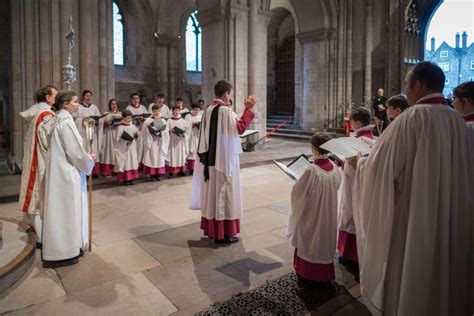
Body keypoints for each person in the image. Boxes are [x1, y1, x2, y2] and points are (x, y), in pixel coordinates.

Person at [352, 61, 473, 315]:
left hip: (415, 218)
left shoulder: (411, 118)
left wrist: (360, 164)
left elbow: (380, 169)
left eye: (408, 84)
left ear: (418, 85)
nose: (406, 90)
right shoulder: (457, 121)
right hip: (450, 215)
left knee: (411, 274)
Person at [189, 79, 256, 244]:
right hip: (223, 162)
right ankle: (224, 234)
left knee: (213, 195)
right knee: (223, 195)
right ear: (227, 94)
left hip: (210, 161)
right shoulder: (225, 111)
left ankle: (213, 231)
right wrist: (248, 109)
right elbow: (239, 128)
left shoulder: (208, 110)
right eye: (230, 94)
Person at [42, 90, 95, 263]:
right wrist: (89, 160)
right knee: (68, 210)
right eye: (75, 101)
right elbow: (74, 151)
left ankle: (60, 249)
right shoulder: (66, 122)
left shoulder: (56, 119)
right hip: (66, 173)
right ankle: (66, 251)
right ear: (65, 104)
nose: (78, 104)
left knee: (60, 210)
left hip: (58, 171)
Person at [286, 133, 342, 284]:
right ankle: (323, 275)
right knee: (323, 242)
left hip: (313, 215)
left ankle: (308, 275)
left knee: (310, 241)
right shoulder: (335, 168)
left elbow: (298, 193)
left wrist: (297, 182)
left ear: (315, 149)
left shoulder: (311, 170)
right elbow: (337, 186)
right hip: (328, 214)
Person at [18, 85, 57, 246]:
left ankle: (40, 233)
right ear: (47, 98)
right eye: (55, 95)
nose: (56, 97)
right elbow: (52, 142)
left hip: (33, 159)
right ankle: (42, 237)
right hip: (40, 162)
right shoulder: (46, 115)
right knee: (39, 198)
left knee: (37, 198)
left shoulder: (37, 113)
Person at [337, 107, 373, 266]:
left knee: (351, 214)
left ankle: (350, 255)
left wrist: (346, 161)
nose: (350, 124)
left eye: (351, 121)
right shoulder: (370, 137)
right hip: (360, 185)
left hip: (355, 185)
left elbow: (354, 166)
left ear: (358, 122)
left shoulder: (359, 141)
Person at [74, 90, 101, 176]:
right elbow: (73, 119)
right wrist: (81, 120)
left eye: (90, 96)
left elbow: (100, 119)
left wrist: (98, 121)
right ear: (83, 97)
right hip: (82, 132)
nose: (88, 98)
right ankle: (84, 171)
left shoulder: (94, 107)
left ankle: (93, 171)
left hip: (92, 132)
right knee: (84, 149)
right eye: (86, 96)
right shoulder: (78, 107)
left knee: (93, 149)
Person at [141, 104, 170, 181]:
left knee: (159, 158)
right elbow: (143, 132)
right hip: (152, 142)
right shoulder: (148, 120)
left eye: (157, 111)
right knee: (152, 158)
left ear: (159, 111)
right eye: (154, 111)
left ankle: (158, 174)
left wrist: (161, 133)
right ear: (152, 111)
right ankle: (152, 175)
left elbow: (166, 132)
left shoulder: (163, 120)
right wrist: (149, 131)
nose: (156, 112)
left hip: (160, 142)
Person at [114, 110, 139, 185]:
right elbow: (117, 140)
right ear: (123, 118)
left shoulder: (133, 126)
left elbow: (137, 135)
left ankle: (131, 179)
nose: (129, 120)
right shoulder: (120, 127)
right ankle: (125, 179)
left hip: (132, 148)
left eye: (130, 118)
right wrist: (125, 142)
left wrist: (137, 135)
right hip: (124, 149)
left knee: (132, 162)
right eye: (128, 118)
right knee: (126, 163)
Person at [99, 99, 121, 177]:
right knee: (108, 152)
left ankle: (117, 170)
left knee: (116, 152)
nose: (114, 105)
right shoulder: (106, 114)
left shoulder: (120, 114)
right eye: (112, 104)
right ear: (109, 105)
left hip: (117, 134)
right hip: (108, 135)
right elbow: (100, 124)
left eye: (115, 104)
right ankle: (107, 171)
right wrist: (106, 123)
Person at [167, 104, 189, 178]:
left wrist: (184, 134)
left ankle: (181, 171)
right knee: (172, 155)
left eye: (177, 110)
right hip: (172, 140)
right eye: (174, 110)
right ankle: (171, 172)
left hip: (180, 141)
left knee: (180, 155)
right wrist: (169, 130)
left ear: (179, 111)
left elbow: (187, 130)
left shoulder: (183, 121)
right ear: (172, 111)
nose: (176, 112)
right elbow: (165, 131)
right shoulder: (169, 120)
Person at [126, 93, 148, 164]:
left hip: (141, 130)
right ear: (131, 99)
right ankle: (133, 163)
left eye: (137, 98)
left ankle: (140, 163)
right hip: (132, 130)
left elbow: (147, 118)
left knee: (141, 147)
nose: (136, 100)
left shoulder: (143, 107)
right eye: (134, 98)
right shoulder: (128, 108)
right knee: (134, 148)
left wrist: (143, 119)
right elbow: (126, 118)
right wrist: (135, 120)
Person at [185, 102, 203, 175]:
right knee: (191, 153)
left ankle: (198, 168)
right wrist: (192, 124)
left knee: (198, 152)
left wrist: (199, 125)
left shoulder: (201, 116)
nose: (196, 111)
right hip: (191, 136)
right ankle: (191, 169)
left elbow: (204, 126)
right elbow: (186, 125)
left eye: (198, 109)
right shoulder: (188, 116)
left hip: (198, 136)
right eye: (195, 109)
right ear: (192, 109)